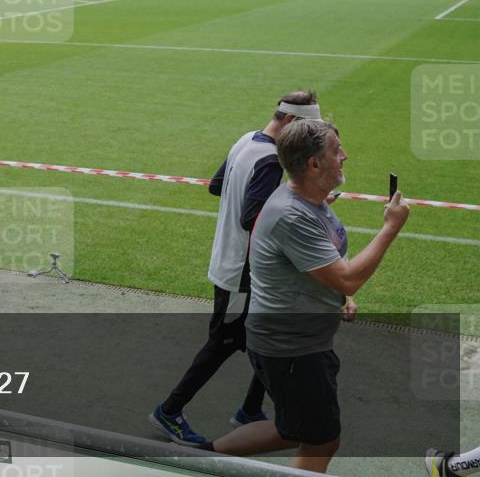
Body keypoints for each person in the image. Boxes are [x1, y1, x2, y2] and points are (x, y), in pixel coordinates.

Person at [204, 118, 409, 473]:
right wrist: (390, 228)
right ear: (313, 164)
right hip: (292, 349)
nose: (345, 155)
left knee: (292, 429)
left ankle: (201, 460)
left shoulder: (311, 200)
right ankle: (201, 460)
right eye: (336, 150)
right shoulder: (292, 215)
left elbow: (328, 262)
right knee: (321, 439)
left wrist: (339, 295)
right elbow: (347, 279)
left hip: (299, 343)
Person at [151, 91, 324, 446]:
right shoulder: (272, 160)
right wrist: (300, 207)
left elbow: (217, 186)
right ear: (290, 122)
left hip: (234, 263)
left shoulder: (246, 140)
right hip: (240, 272)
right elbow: (251, 217)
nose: (310, 139)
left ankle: (249, 409)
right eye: (307, 129)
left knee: (267, 333)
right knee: (223, 343)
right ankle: (169, 411)